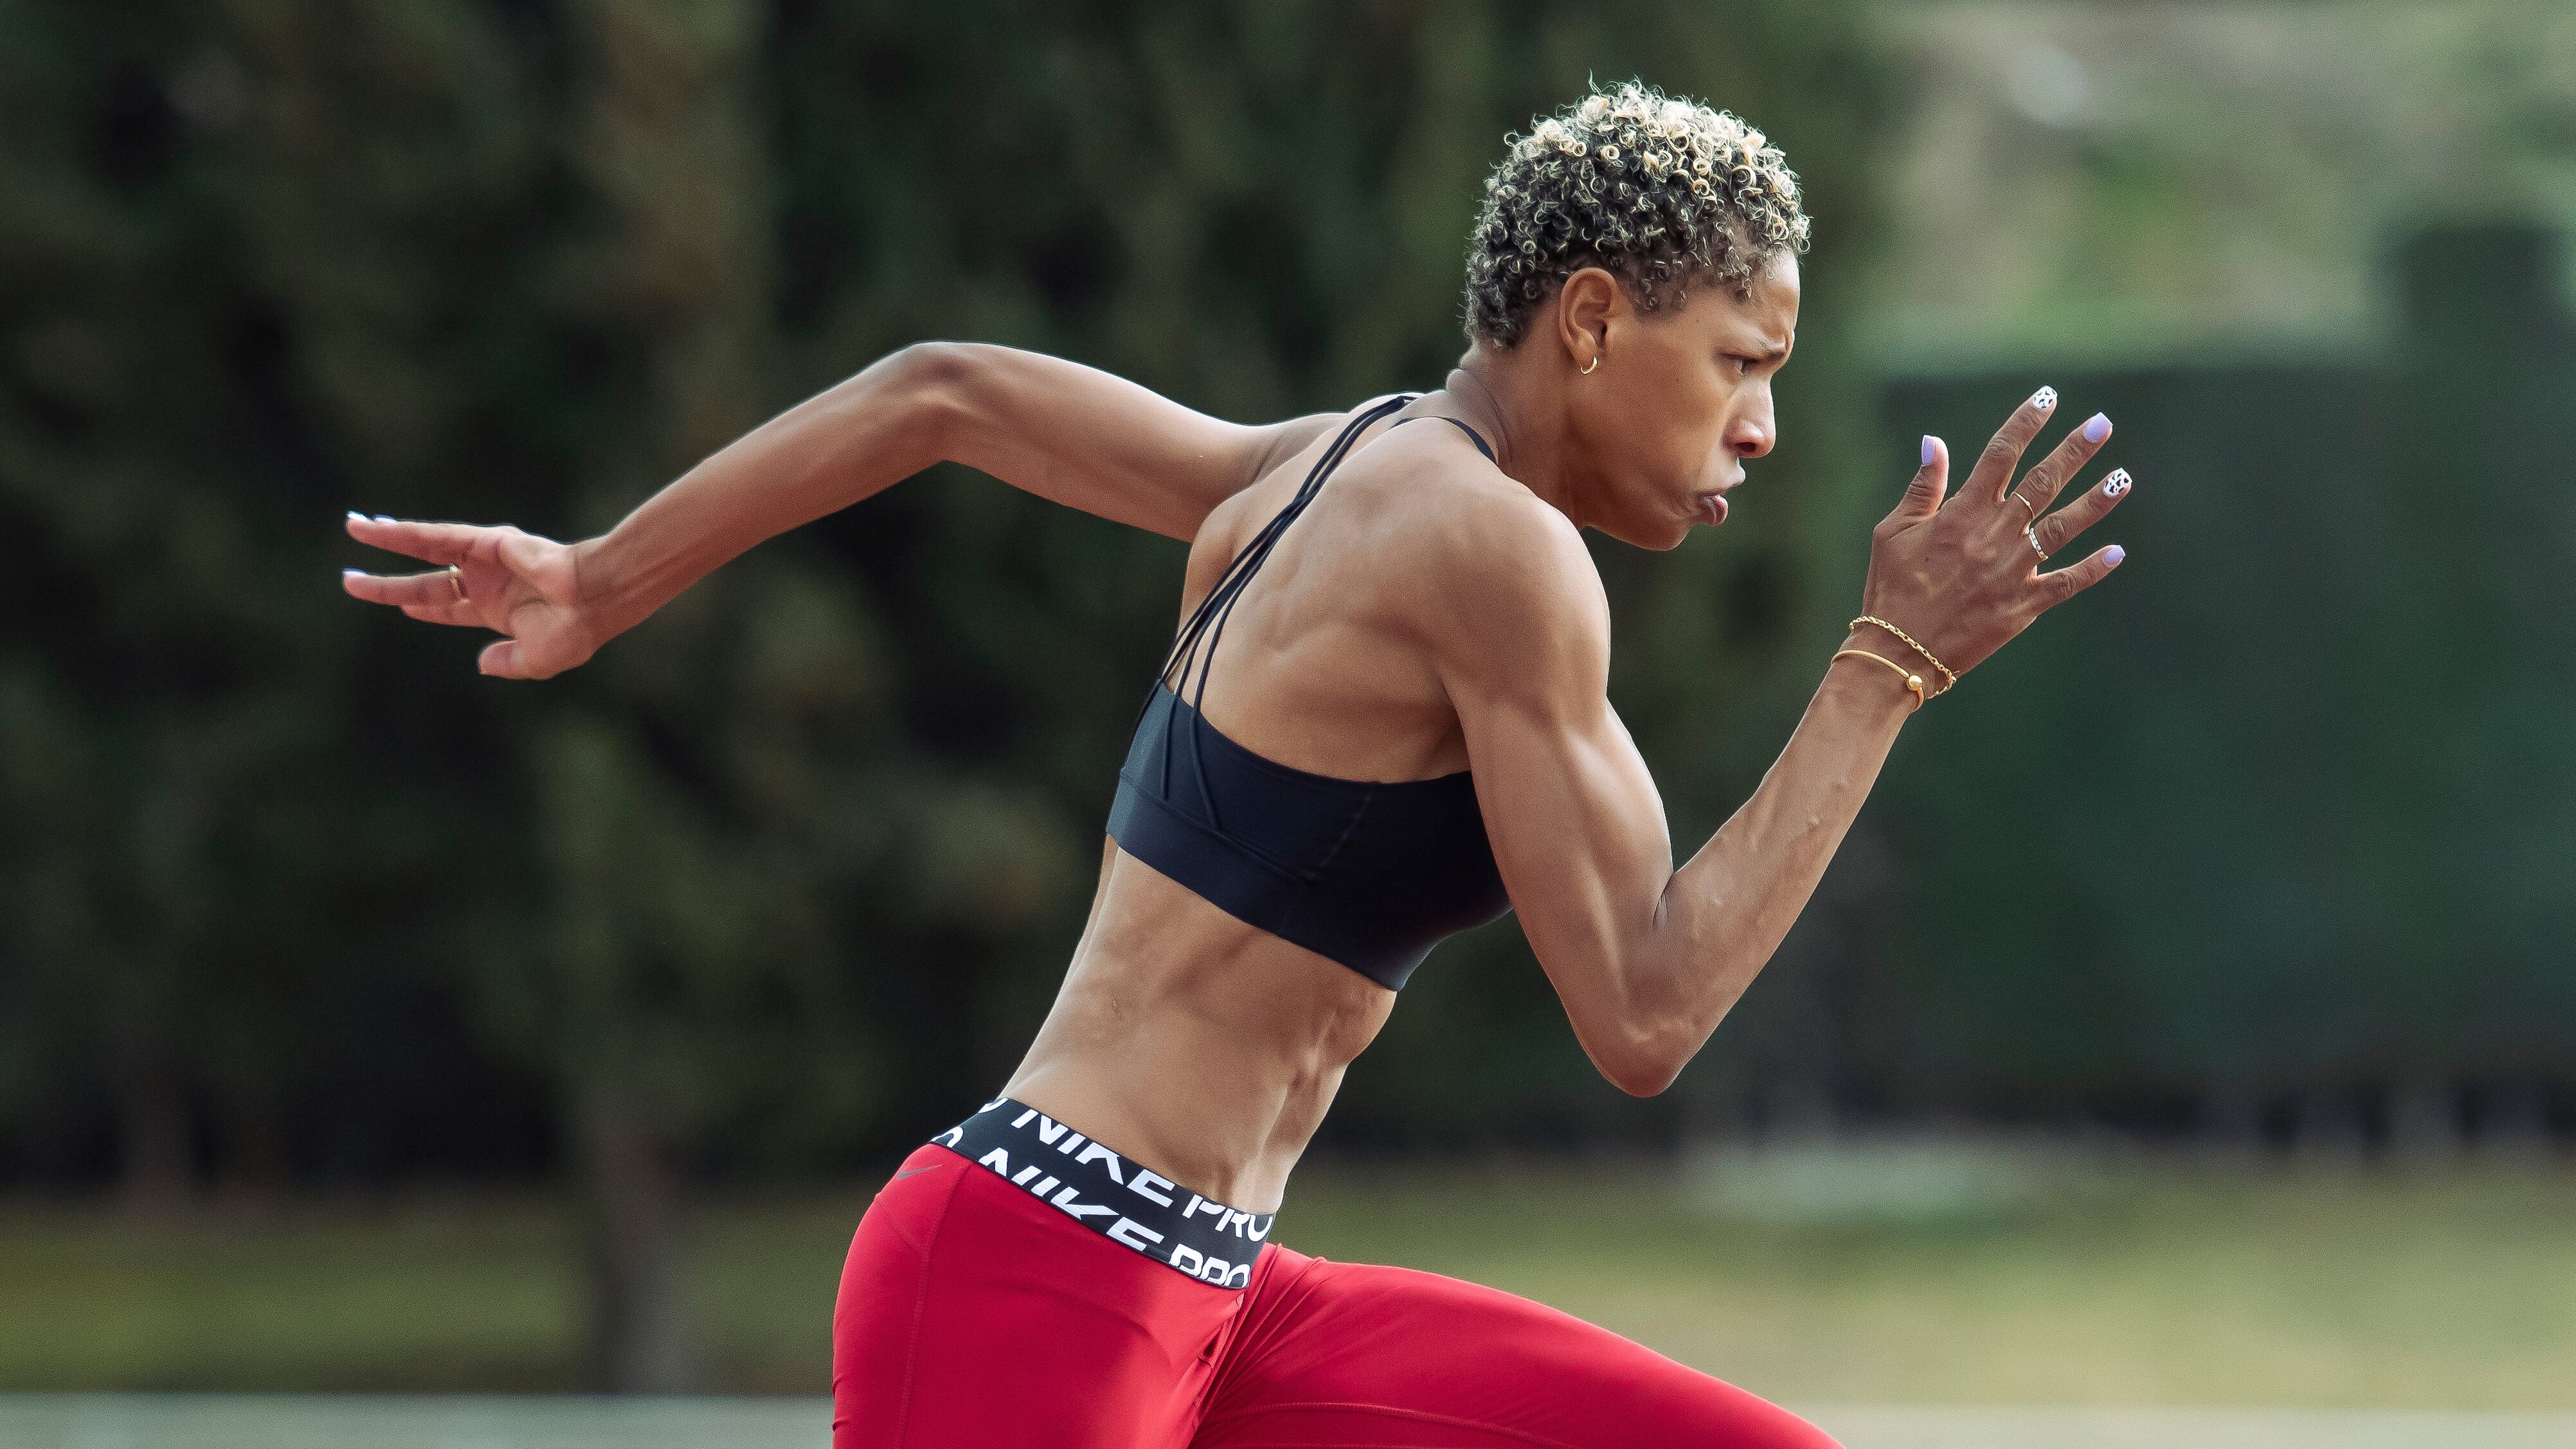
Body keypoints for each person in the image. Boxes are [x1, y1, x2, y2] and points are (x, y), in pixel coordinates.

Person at [344, 80, 2129, 1449]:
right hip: (1035, 1286)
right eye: (1740, 361)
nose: (1760, 423)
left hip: (1215, 1301)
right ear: (1591, 319)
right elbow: (1645, 1015)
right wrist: (1886, 669)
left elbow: (945, 393)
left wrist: (602, 575)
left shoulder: (1321, 463)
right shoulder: (1494, 551)